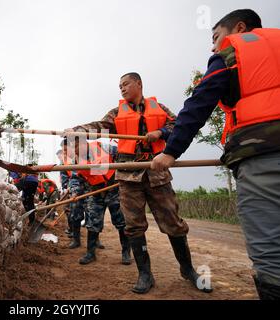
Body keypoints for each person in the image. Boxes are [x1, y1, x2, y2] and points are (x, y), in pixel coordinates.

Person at [151, 9, 280, 300]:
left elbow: (199, 103)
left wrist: (171, 151)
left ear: (239, 28)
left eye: (216, 37)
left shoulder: (233, 52)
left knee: (271, 255)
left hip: (263, 157)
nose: (213, 45)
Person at [65, 72, 211, 294]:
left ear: (138, 84)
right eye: (120, 86)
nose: (122, 89)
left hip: (157, 174)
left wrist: (161, 131)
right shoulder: (117, 113)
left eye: (126, 84)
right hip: (129, 176)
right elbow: (99, 126)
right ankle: (145, 274)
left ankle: (187, 269)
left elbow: (179, 125)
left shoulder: (159, 108)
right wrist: (78, 131)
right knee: (133, 226)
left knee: (174, 223)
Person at [75, 140, 132, 266]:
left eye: (77, 147)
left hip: (114, 189)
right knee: (92, 222)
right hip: (96, 192)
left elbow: (123, 158)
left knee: (121, 222)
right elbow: (81, 179)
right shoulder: (77, 160)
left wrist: (124, 177)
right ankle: (90, 253)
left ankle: (126, 252)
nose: (76, 151)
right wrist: (81, 194)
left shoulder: (105, 148)